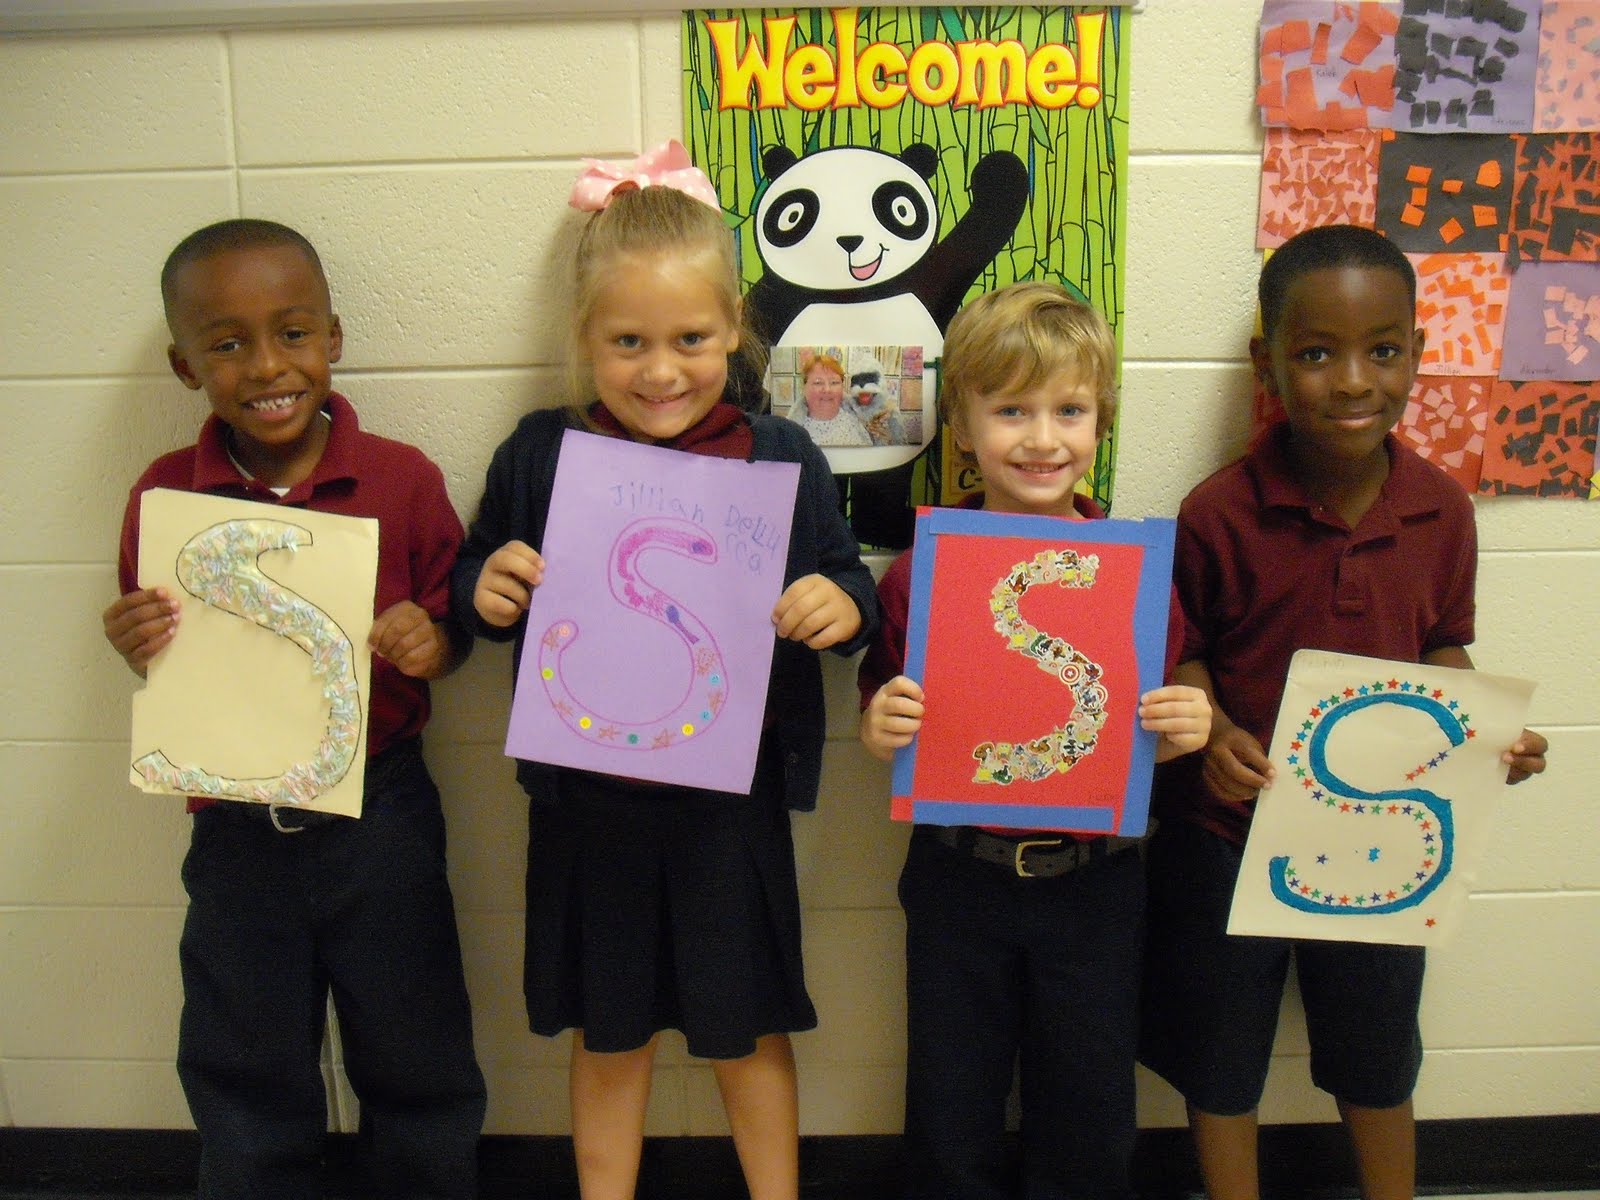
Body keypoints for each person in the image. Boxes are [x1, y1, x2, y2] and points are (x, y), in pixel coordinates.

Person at [450, 145, 879, 1200]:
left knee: (747, 1027)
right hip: (590, 807)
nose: (660, 371)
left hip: (728, 810)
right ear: (584, 339)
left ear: (733, 328)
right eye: (627, 342)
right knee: (610, 1031)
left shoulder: (781, 455)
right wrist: (484, 588)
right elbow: (476, 575)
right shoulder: (539, 455)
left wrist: (843, 605)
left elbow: (845, 582)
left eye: (689, 338)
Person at [1139, 224, 1550, 1200]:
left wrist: (1483, 732)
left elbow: (1441, 645)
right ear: (1269, 364)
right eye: (1318, 354)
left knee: (1376, 1054)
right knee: (1220, 1061)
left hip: (1382, 844)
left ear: (1416, 352)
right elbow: (1183, 652)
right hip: (1226, 836)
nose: (1354, 381)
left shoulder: (1441, 511)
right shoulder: (1216, 512)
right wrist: (1215, 735)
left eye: (1384, 350)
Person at [101, 218, 485, 1198]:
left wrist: (431, 643)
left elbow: (454, 629)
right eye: (228, 344)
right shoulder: (163, 498)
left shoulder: (401, 480)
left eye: (294, 333)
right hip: (235, 823)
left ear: (334, 339)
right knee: (244, 1058)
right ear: (186, 366)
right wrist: (136, 639)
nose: (268, 365)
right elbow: (162, 658)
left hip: (380, 811)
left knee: (415, 1043)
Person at [858, 281, 1213, 1200]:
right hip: (958, 876)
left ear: (1101, 423)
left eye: (1069, 411)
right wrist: (881, 722)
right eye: (1011, 410)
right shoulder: (918, 578)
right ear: (964, 427)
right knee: (950, 1101)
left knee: (1090, 1106)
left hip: (1096, 882)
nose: (1042, 438)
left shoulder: (1135, 575)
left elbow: (1155, 716)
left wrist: (1185, 728)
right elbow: (884, 707)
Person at [789, 352, 869, 445]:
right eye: (818, 383)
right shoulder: (791, 432)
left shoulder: (855, 422)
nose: (827, 389)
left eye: (834, 382)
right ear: (804, 387)